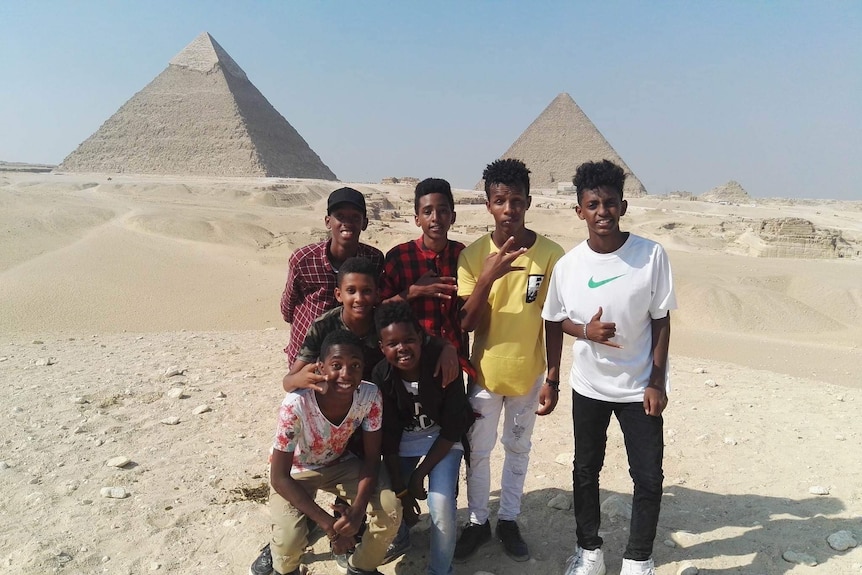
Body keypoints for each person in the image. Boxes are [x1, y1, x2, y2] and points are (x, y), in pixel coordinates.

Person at [541, 160, 676, 575]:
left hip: (639, 387)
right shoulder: (568, 265)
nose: (603, 211)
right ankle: (589, 553)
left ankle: (639, 558)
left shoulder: (651, 255)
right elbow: (552, 318)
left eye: (611, 203)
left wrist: (656, 381)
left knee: (649, 476)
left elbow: (662, 319)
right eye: (593, 203)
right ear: (579, 210)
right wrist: (584, 333)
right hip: (589, 386)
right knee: (585, 471)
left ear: (624, 205)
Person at [453, 158, 564, 563]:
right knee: (478, 452)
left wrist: (553, 375)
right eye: (500, 200)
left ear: (528, 202)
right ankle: (479, 521)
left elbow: (552, 320)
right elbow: (466, 323)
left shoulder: (551, 255)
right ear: (488, 204)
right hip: (484, 373)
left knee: (518, 449)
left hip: (529, 373)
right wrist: (488, 276)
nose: (509, 209)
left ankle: (510, 519)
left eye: (517, 200)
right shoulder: (472, 255)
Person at [262, 329, 401, 575]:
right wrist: (330, 526)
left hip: (339, 463)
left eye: (355, 365)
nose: (346, 374)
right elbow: (279, 477)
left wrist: (357, 512)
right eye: (336, 365)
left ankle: (361, 567)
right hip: (296, 471)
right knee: (289, 540)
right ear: (321, 368)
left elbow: (371, 459)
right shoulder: (297, 403)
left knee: (389, 511)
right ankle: (286, 568)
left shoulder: (369, 396)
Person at [371, 302, 476, 575]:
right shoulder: (382, 375)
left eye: (409, 340)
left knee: (440, 501)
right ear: (382, 347)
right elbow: (389, 438)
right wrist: (403, 491)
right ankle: (401, 537)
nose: (402, 348)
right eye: (392, 343)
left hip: (442, 439)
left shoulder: (444, 365)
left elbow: (453, 428)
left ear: (421, 338)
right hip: (405, 441)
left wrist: (419, 475)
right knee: (390, 498)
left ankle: (441, 569)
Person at [280, 187, 384, 366]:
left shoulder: (373, 259)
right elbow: (288, 307)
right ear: (328, 221)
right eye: (340, 216)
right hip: (307, 354)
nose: (347, 223)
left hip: (348, 356)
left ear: (365, 223)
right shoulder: (304, 259)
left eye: (354, 217)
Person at [379, 177, 468, 362]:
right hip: (412, 361)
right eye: (427, 212)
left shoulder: (463, 255)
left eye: (442, 211)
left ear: (453, 216)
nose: (435, 217)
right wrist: (415, 291)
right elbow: (379, 311)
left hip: (453, 358)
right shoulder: (399, 257)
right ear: (417, 219)